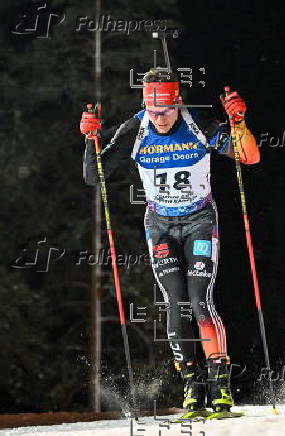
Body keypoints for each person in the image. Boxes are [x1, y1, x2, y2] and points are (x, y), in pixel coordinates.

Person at [81, 68, 260, 415]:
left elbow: (249, 156)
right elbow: (94, 176)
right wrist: (91, 140)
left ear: (178, 102)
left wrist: (238, 122)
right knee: (175, 302)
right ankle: (192, 387)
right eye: (153, 111)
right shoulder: (136, 129)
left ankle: (219, 384)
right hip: (160, 224)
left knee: (200, 299)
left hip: (199, 221)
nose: (160, 119)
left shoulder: (199, 125)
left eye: (165, 111)